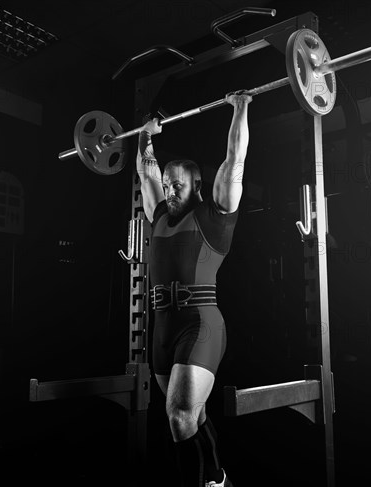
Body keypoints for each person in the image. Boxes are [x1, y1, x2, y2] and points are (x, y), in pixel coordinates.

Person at [136, 91, 252, 487]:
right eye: (168, 185)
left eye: (178, 185)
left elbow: (235, 162)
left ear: (198, 184)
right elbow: (145, 174)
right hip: (163, 331)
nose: (169, 191)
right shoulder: (159, 217)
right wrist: (144, 139)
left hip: (200, 327)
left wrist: (240, 108)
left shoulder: (215, 214)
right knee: (193, 417)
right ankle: (218, 479)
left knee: (179, 417)